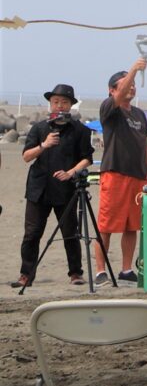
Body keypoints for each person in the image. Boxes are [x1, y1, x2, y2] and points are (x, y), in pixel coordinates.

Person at [15, 83, 94, 289]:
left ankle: (75, 273)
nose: (60, 106)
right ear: (50, 104)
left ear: (71, 105)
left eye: (64, 102)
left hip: (67, 189)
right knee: (32, 234)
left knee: (70, 232)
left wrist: (70, 173)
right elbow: (26, 157)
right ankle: (26, 275)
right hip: (38, 188)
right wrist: (44, 145)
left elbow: (87, 158)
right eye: (56, 102)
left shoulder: (80, 130)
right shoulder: (39, 128)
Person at [93, 53, 147, 282]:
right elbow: (118, 96)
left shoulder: (139, 114)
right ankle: (100, 270)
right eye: (127, 84)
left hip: (137, 176)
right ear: (111, 90)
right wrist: (134, 69)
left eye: (134, 85)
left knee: (132, 225)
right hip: (115, 173)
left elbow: (144, 142)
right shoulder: (109, 109)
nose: (132, 88)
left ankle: (126, 269)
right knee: (106, 225)